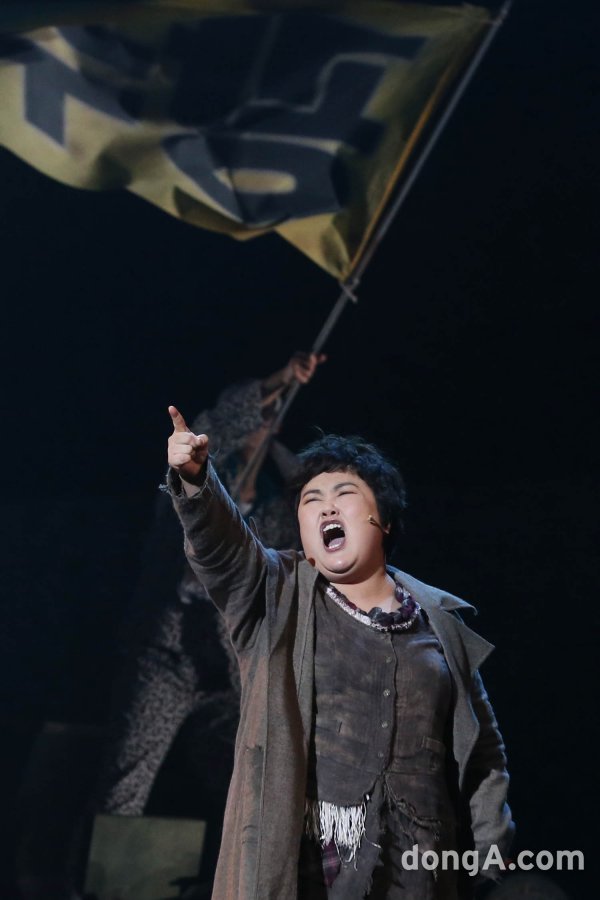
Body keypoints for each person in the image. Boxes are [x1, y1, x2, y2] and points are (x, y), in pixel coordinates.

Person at [166, 420, 514, 900]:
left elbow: (483, 748)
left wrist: (490, 844)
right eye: (311, 500)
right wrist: (196, 480)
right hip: (311, 863)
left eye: (344, 493)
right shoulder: (276, 593)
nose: (326, 506)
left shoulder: (440, 623)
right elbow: (223, 549)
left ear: (383, 520)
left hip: (420, 867)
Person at [92, 352, 324, 887]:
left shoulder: (280, 510)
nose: (262, 422)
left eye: (271, 416)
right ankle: (101, 885)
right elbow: (216, 425)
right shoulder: (187, 481)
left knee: (261, 787)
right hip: (167, 657)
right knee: (125, 783)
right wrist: (280, 378)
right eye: (256, 414)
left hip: (231, 671)